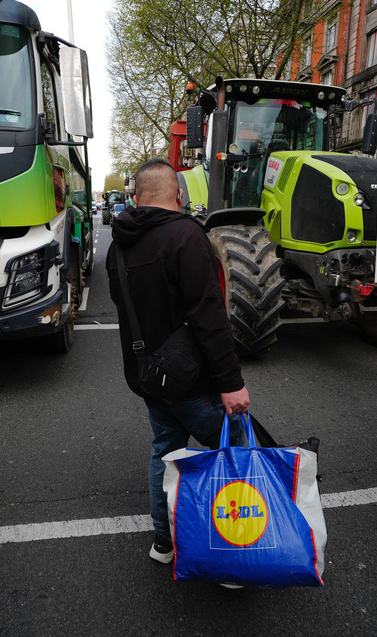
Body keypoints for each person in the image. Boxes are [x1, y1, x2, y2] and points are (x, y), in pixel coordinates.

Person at [106, 158, 251, 565]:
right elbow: (210, 317)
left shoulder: (119, 244)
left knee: (165, 452)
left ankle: (163, 543)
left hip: (150, 376)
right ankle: (233, 548)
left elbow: (126, 306)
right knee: (232, 455)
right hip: (195, 380)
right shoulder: (187, 236)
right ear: (179, 195)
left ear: (136, 197)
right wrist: (231, 382)